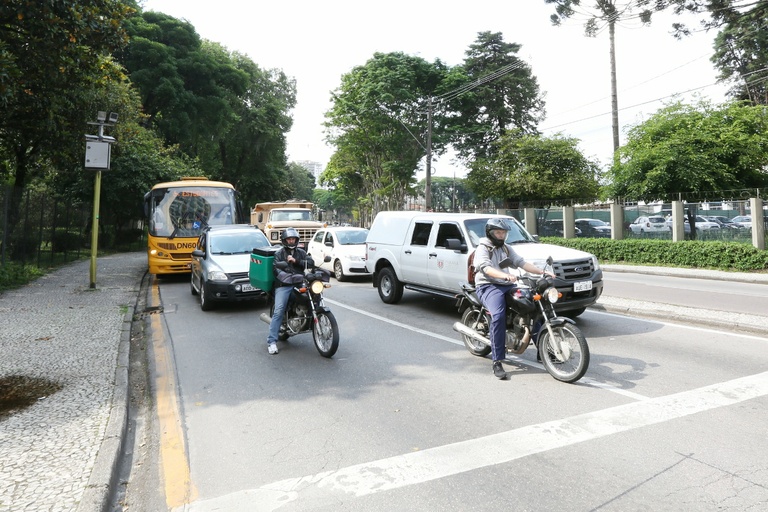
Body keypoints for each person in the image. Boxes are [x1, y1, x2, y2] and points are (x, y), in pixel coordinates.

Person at [473, 218, 554, 379]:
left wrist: (541, 272)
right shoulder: (482, 249)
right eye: (498, 232)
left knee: (532, 306)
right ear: (490, 233)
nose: (501, 235)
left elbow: (521, 263)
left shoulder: (506, 248)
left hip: (506, 283)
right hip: (487, 285)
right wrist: (505, 275)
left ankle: (542, 349)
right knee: (498, 316)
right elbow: (486, 268)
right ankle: (497, 361)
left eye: (503, 233)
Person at [266, 227, 314, 354]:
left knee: (314, 298)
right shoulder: (279, 253)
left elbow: (310, 263)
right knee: (279, 310)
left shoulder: (301, 252)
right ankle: (271, 341)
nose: (291, 241)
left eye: (293, 239)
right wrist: (287, 277)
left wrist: (296, 261)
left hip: (299, 283)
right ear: (284, 240)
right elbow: (276, 269)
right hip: (284, 285)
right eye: (289, 239)